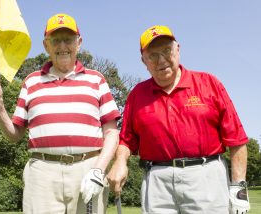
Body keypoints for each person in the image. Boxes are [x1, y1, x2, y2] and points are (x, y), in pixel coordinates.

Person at [0, 13, 121, 214]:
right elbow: (15, 134)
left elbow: (111, 132)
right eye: (56, 40)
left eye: (68, 39)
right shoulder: (31, 82)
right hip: (42, 173)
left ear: (79, 43)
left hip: (88, 169)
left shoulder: (97, 80)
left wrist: (98, 170)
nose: (62, 46)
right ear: (46, 45)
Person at [107, 25, 250, 214]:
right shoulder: (137, 95)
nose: (162, 60)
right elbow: (127, 140)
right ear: (144, 61)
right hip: (157, 182)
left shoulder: (209, 83)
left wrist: (239, 188)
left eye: (167, 50)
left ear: (178, 50)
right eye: (153, 55)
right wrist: (119, 162)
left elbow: (236, 139)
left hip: (205, 176)